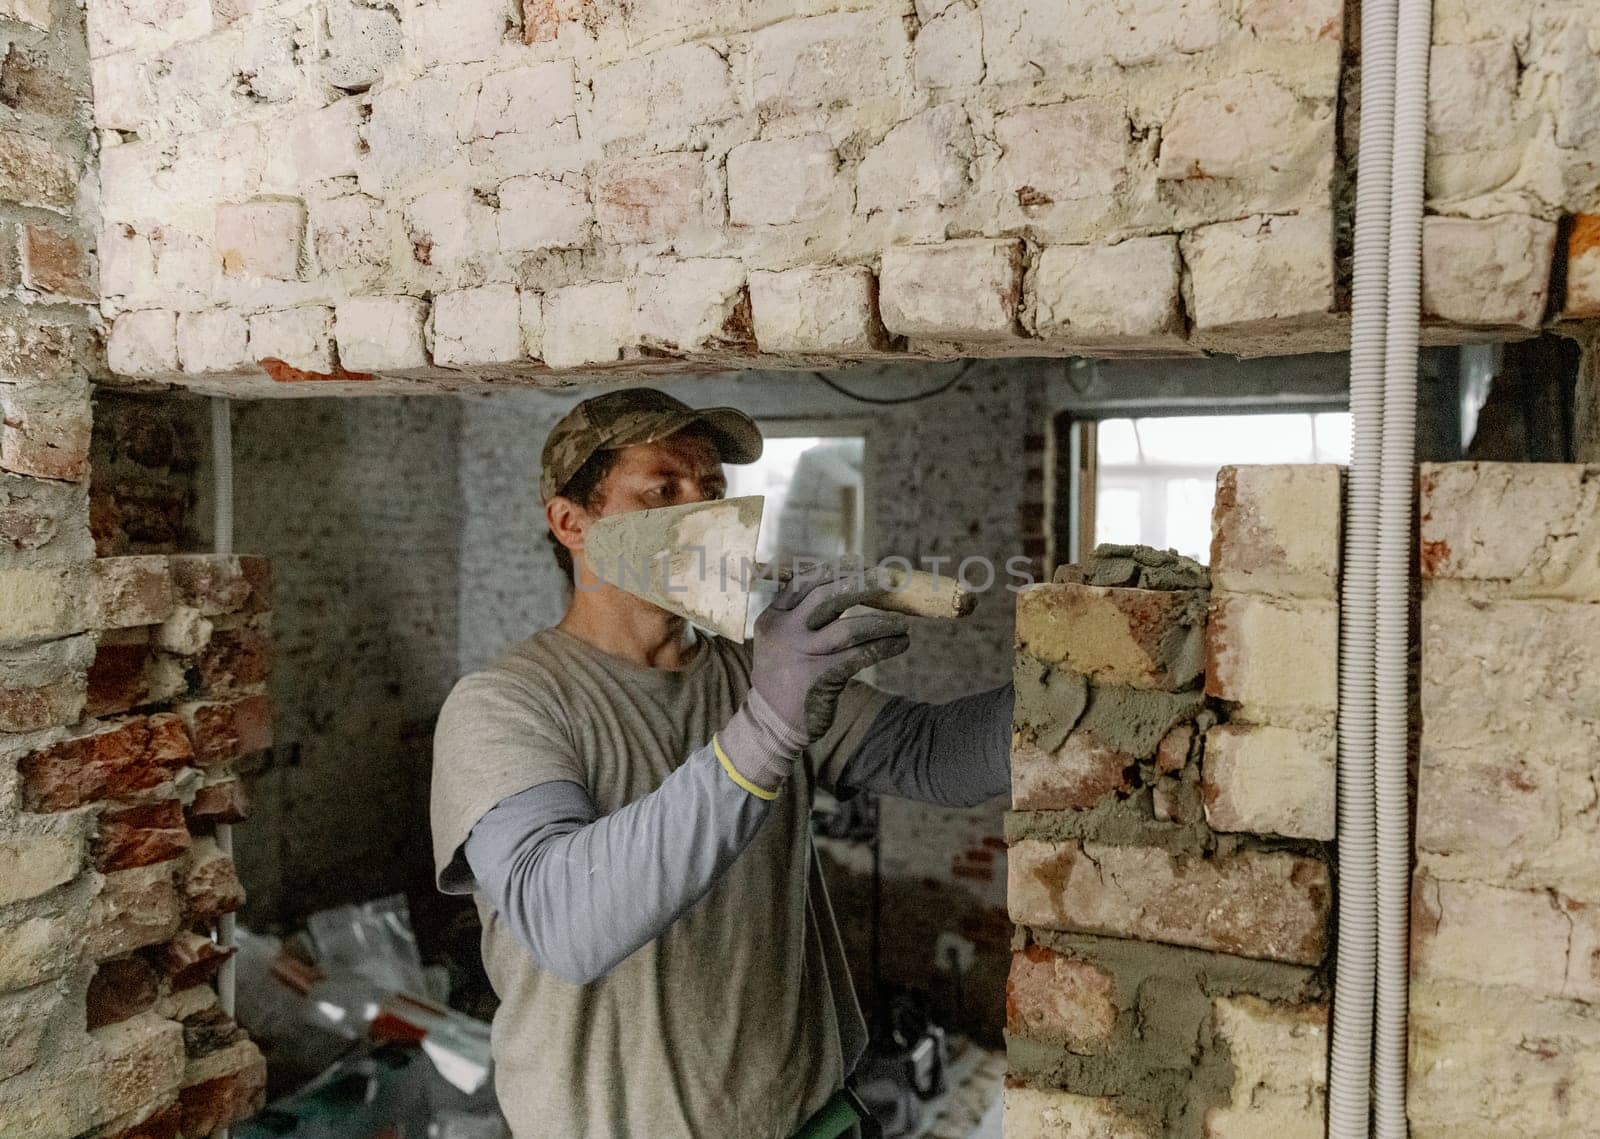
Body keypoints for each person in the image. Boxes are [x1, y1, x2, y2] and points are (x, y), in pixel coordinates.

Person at [430, 387, 1014, 1138]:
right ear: (573, 522)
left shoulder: (752, 669)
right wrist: (768, 725)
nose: (705, 512)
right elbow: (567, 922)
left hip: (815, 1123)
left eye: (712, 489)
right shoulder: (506, 705)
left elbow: (937, 756)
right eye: (664, 490)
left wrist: (1085, 690)